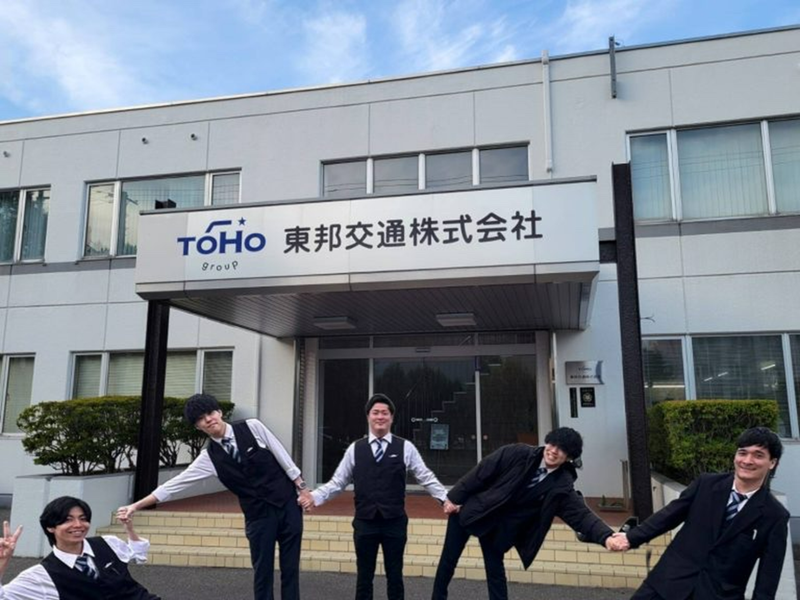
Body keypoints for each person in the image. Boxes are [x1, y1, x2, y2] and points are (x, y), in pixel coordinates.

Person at [117, 393, 312, 600]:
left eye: (210, 413)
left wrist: (302, 488)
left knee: (290, 568)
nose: (208, 419)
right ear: (197, 427)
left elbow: (282, 456)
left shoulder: (252, 427)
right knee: (262, 572)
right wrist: (135, 506)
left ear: (219, 412)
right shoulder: (208, 458)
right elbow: (173, 486)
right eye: (201, 419)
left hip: (287, 505)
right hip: (258, 515)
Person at [431, 427, 626, 600]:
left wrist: (606, 536)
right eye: (552, 444)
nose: (554, 451)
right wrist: (453, 498)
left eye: (562, 449)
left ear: (569, 457)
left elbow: (581, 515)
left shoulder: (561, 486)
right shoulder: (517, 453)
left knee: (495, 573)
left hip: (499, 530)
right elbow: (482, 472)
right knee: (448, 561)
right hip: (473, 511)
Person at [298, 393, 448, 600]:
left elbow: (426, 477)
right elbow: (338, 482)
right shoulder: (355, 449)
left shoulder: (405, 447)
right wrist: (314, 497)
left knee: (395, 576)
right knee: (364, 577)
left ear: (391, 417)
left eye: (384, 413)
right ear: (368, 416)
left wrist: (446, 499)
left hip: (394, 522)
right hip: (365, 522)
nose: (380, 417)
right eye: (375, 412)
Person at [621, 426, 789, 600]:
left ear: (772, 463)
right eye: (742, 453)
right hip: (666, 585)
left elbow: (768, 577)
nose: (747, 460)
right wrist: (630, 538)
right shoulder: (706, 485)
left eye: (758, 455)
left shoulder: (775, 515)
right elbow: (667, 516)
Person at [0, 496, 160, 599]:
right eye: (67, 520)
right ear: (50, 527)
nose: (78, 525)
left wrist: (129, 529)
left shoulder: (108, 543)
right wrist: (2, 561)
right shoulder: (41, 576)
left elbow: (138, 556)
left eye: (83, 518)